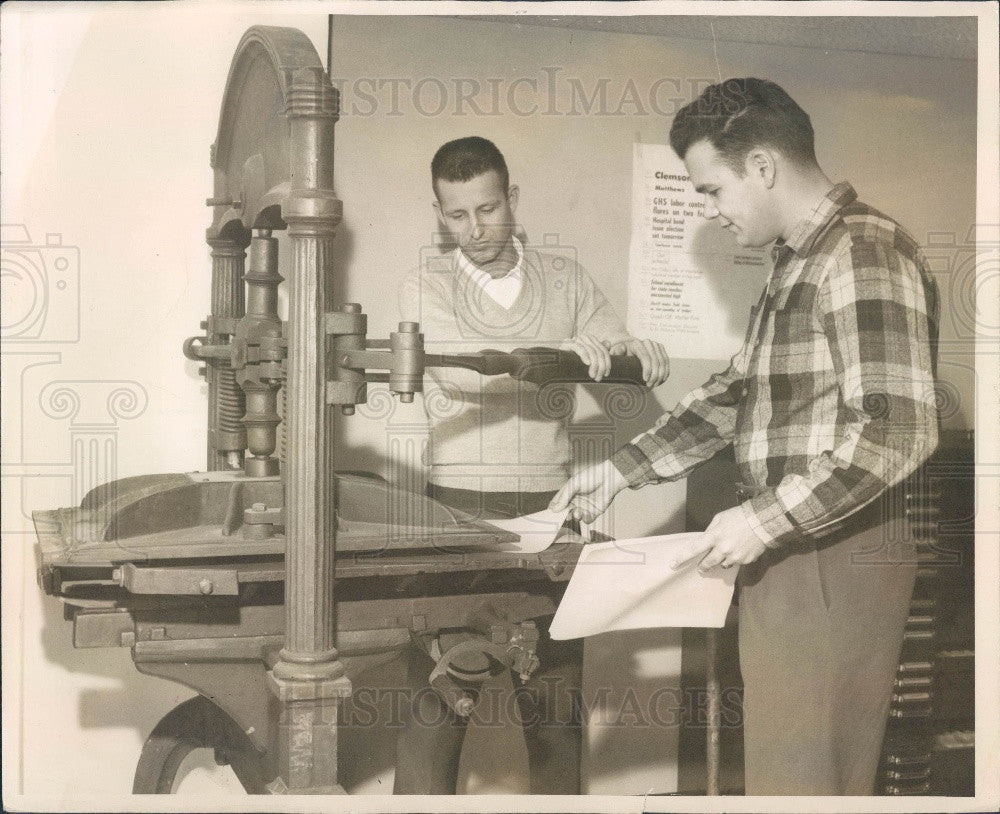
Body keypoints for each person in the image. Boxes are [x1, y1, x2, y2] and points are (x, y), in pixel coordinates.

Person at [550, 78, 940, 795]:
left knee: (805, 787)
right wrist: (621, 470)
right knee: (781, 781)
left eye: (711, 190)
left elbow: (897, 431)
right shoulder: (799, 260)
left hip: (834, 557)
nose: (710, 211)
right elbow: (738, 393)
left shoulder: (863, 254)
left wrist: (763, 520)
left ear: (762, 167)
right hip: (795, 550)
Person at [391, 136, 668, 795]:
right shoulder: (424, 284)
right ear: (438, 212)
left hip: (552, 509)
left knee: (555, 707)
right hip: (455, 511)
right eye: (455, 216)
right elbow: (466, 373)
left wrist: (634, 350)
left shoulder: (566, 281)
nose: (474, 229)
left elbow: (611, 344)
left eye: (487, 209)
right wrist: (563, 355)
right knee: (437, 711)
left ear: (511, 198)